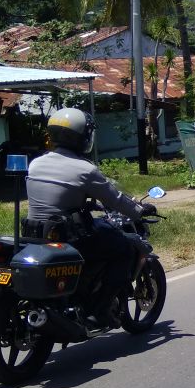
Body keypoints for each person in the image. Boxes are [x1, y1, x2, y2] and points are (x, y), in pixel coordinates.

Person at [25, 108, 155, 328]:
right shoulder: (84, 170)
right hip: (70, 236)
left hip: (35, 234)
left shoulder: (36, 163)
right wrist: (139, 211)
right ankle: (102, 309)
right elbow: (115, 199)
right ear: (82, 138)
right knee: (123, 247)